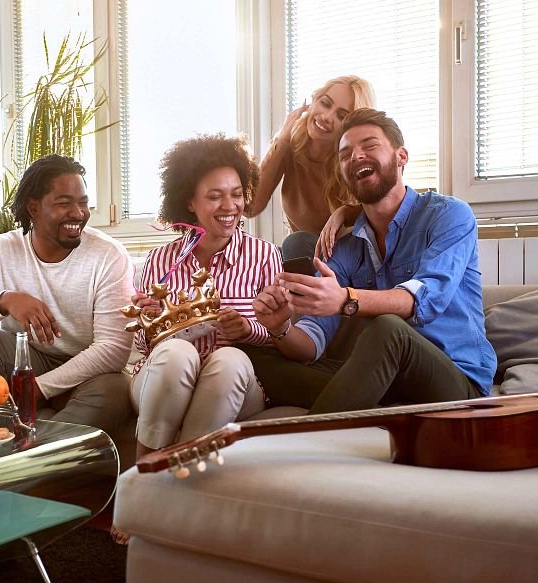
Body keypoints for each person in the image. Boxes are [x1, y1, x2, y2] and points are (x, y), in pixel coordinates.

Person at [247, 108, 496, 414]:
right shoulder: (345, 248)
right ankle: (364, 401)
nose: (356, 156)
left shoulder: (448, 215)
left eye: (369, 145)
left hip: (454, 382)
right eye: (345, 154)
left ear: (401, 156)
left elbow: (423, 300)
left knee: (387, 329)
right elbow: (311, 343)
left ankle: (313, 440)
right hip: (384, 381)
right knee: (254, 356)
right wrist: (280, 327)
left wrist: (345, 300)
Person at [0, 154, 136, 437]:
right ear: (34, 208)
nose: (78, 214)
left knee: (115, 390)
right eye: (64, 203)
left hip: (87, 373)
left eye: (83, 202)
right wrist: (5, 301)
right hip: (25, 360)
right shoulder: (0, 250)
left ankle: (27, 450)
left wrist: (39, 389)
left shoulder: (108, 255)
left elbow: (113, 349)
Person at [130, 133, 282, 460]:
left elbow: (278, 335)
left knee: (229, 360)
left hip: (235, 382)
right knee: (176, 353)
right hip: (164, 377)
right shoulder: (159, 261)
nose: (230, 207)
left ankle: (166, 469)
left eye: (237, 195)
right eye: (215, 196)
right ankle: (146, 463)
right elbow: (144, 348)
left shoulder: (265, 256)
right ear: (189, 202)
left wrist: (246, 330)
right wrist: (151, 319)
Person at [247, 75, 376, 261]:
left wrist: (343, 213)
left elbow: (378, 221)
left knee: (296, 244)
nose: (326, 117)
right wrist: (282, 139)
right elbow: (251, 206)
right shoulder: (291, 144)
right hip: (306, 255)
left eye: (341, 115)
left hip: (352, 260)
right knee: (269, 257)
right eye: (325, 103)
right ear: (313, 101)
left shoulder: (354, 159)